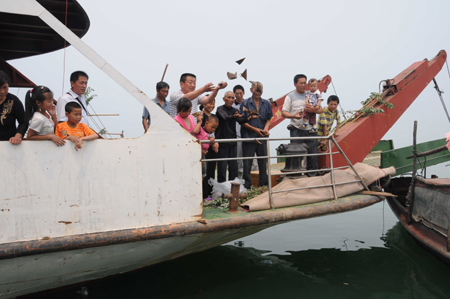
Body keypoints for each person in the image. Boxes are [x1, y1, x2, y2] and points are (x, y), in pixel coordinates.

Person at [282, 74, 323, 176]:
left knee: (313, 155)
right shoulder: (290, 97)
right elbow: (284, 112)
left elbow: (321, 109)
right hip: (296, 129)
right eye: (301, 83)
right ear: (295, 84)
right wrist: (294, 116)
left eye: (305, 83)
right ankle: (295, 177)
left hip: (311, 130)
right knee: (295, 154)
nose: (303, 85)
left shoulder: (311, 94)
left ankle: (312, 177)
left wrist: (314, 109)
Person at [239, 81, 273, 189]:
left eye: (260, 89)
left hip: (262, 138)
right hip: (249, 137)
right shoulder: (245, 103)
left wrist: (265, 129)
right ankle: (247, 188)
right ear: (251, 90)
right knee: (247, 164)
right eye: (256, 89)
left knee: (263, 163)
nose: (258, 92)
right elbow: (242, 121)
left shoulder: (266, 103)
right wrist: (255, 130)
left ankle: (263, 186)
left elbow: (269, 119)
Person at [216, 91, 247, 182]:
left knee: (233, 166)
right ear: (224, 99)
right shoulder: (220, 109)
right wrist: (235, 116)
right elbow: (225, 117)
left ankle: (233, 188)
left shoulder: (235, 111)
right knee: (222, 167)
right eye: (228, 97)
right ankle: (221, 188)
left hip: (233, 141)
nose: (230, 99)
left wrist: (250, 118)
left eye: (232, 98)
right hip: (222, 142)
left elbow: (241, 121)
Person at [0, 71, 27, 144]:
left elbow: (23, 122)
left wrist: (19, 135)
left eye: (4, 87)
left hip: (10, 144)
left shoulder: (14, 101)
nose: (2, 91)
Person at [232, 85, 245, 178]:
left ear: (243, 93)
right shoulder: (232, 106)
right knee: (239, 160)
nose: (239, 95)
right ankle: (240, 181)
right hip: (237, 136)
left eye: (240, 93)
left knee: (253, 160)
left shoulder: (248, 104)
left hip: (249, 135)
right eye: (237, 93)